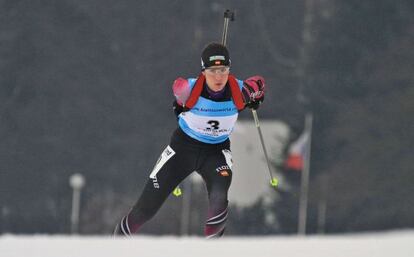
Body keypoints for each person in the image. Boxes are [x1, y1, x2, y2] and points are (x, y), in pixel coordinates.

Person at [114, 42, 265, 238]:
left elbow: (259, 83)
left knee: (219, 197)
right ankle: (115, 245)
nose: (218, 76)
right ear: (203, 71)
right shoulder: (191, 88)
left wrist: (257, 96)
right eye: (212, 71)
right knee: (146, 209)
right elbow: (177, 91)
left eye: (223, 70)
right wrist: (179, 104)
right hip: (183, 149)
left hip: (216, 152)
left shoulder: (240, 90)